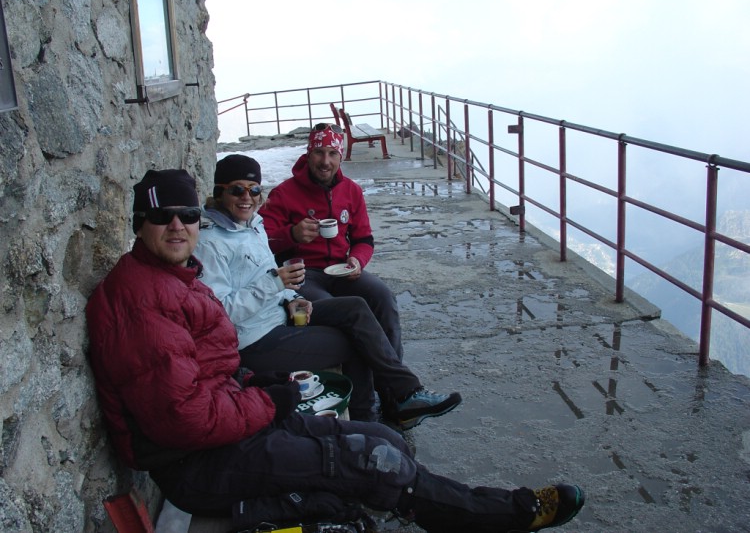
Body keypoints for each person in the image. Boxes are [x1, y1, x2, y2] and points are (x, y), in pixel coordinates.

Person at [85, 168, 585, 532]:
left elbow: (205, 376)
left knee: (369, 435)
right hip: (200, 463)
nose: (178, 226)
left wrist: (261, 389)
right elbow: (185, 417)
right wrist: (267, 400)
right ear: (139, 224)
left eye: (186, 215)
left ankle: (376, 454)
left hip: (226, 431)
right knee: (371, 459)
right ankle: (506, 514)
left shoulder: (170, 278)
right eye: (162, 217)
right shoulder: (143, 302)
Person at [193, 154, 460, 428]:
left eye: (254, 190)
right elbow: (221, 314)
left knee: (355, 307)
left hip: (278, 313)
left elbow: (361, 239)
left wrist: (293, 298)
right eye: (237, 190)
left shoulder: (252, 225)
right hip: (255, 339)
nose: (246, 197)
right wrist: (276, 282)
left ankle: (406, 394)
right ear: (219, 192)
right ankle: (367, 421)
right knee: (356, 342)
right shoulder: (210, 243)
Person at [262, 124, 404, 360]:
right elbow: (262, 241)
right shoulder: (284, 193)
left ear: (340, 157)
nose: (325, 161)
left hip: (341, 270)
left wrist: (357, 261)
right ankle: (364, 391)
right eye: (319, 152)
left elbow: (364, 239)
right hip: (303, 275)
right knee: (341, 312)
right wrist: (293, 234)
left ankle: (394, 381)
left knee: (383, 298)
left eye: (332, 153)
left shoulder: (351, 191)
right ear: (308, 155)